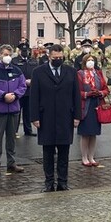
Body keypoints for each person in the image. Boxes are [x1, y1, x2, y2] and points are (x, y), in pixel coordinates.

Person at [29, 44, 81, 191]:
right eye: (55, 58)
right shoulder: (38, 72)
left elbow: (76, 95)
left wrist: (77, 115)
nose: (58, 60)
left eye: (60, 57)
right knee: (48, 152)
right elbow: (34, 96)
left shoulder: (71, 71)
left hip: (66, 116)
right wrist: (34, 117)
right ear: (49, 57)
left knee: (64, 151)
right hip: (46, 117)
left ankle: (63, 182)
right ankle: (49, 182)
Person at [0, 44, 27, 174]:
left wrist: (15, 95)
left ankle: (11, 162)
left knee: (11, 138)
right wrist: (3, 95)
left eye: (9, 55)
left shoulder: (17, 70)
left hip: (13, 109)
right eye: (5, 54)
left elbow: (23, 86)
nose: (7, 57)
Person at [76, 52, 109, 167]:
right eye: (89, 60)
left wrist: (100, 93)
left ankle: (91, 156)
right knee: (85, 133)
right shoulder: (79, 74)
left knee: (94, 133)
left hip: (97, 104)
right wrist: (87, 94)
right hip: (85, 106)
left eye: (93, 60)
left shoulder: (98, 73)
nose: (91, 62)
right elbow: (76, 92)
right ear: (84, 62)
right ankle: (84, 157)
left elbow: (106, 89)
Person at [13, 45, 37, 136]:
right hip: (18, 90)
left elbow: (37, 73)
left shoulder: (33, 60)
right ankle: (14, 131)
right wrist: (24, 81)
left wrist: (33, 81)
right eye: (23, 50)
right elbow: (13, 74)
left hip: (30, 90)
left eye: (26, 50)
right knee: (17, 111)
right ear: (19, 51)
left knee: (28, 112)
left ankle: (28, 130)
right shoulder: (14, 61)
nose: (25, 52)